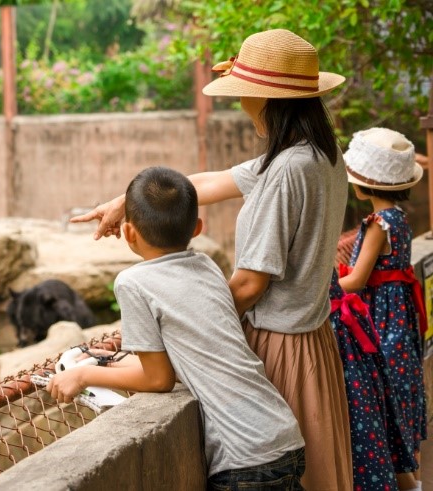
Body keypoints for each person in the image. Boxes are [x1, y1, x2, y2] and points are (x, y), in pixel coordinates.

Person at [71, 29, 352, 489]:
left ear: (266, 99)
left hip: (280, 347)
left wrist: (188, 332)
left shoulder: (286, 172)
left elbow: (248, 285)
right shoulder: (319, 153)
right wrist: (128, 200)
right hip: (313, 341)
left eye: (243, 93)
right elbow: (208, 183)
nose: (240, 104)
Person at [47, 166, 306, 488]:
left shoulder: (133, 283)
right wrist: (108, 360)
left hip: (245, 457)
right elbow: (190, 350)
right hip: (282, 433)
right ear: (197, 228)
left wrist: (83, 374)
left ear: (128, 234)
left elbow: (158, 379)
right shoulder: (207, 265)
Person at [338, 127, 428, 491]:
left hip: (383, 317)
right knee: (404, 397)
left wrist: (324, 289)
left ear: (361, 185)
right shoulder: (401, 218)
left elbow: (358, 280)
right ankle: (415, 481)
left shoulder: (378, 225)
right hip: (400, 314)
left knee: (387, 398)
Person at [329, 268, 418, 490]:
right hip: (357, 329)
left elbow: (358, 279)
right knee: (381, 438)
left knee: (367, 437)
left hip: (367, 325)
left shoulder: (379, 230)